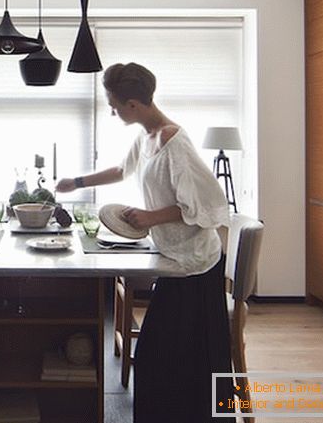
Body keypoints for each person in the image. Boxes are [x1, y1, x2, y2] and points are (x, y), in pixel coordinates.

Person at [56, 62, 235, 423]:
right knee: (166, 354)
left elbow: (206, 206)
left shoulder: (173, 141)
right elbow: (123, 170)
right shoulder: (147, 136)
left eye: (114, 104)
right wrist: (76, 182)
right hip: (171, 256)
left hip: (195, 264)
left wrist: (150, 217)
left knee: (158, 352)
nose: (112, 110)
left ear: (134, 104)